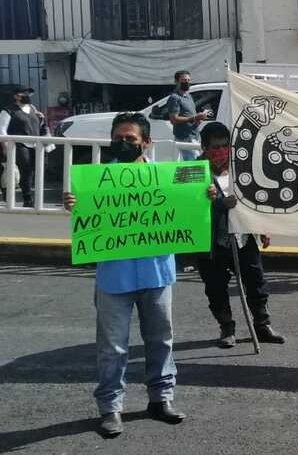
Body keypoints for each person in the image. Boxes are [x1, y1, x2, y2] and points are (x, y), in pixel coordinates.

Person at [63, 112, 187, 438]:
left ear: (146, 142)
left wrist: (205, 198)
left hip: (156, 272)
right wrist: (75, 204)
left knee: (160, 340)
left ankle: (161, 398)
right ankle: (110, 407)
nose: (123, 143)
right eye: (118, 138)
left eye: (130, 138)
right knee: (112, 347)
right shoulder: (95, 182)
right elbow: (87, 220)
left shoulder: (166, 178)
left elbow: (191, 204)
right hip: (114, 276)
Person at [197, 122, 285, 348]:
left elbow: (255, 198)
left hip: (242, 238)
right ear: (204, 147)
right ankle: (227, 328)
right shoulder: (193, 172)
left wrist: (262, 227)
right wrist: (212, 201)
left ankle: (262, 325)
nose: (221, 152)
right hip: (212, 243)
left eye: (225, 146)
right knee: (216, 287)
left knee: (256, 280)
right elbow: (185, 206)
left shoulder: (241, 168)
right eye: (215, 147)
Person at [0, 87, 43, 207]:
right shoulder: (8, 110)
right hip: (18, 145)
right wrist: (6, 147)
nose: (27, 96)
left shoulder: (32, 108)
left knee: (33, 171)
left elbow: (35, 125)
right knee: (26, 170)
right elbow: (2, 130)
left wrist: (41, 119)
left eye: (28, 94)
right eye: (24, 94)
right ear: (16, 96)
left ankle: (27, 196)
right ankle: (27, 199)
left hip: (35, 144)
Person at [166, 71, 207, 161]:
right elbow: (173, 119)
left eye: (188, 80)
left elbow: (190, 117)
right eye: (184, 80)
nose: (187, 82)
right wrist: (194, 118)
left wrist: (198, 120)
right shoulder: (174, 98)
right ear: (176, 82)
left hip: (194, 135)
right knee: (194, 163)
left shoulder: (189, 96)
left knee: (196, 162)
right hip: (184, 137)